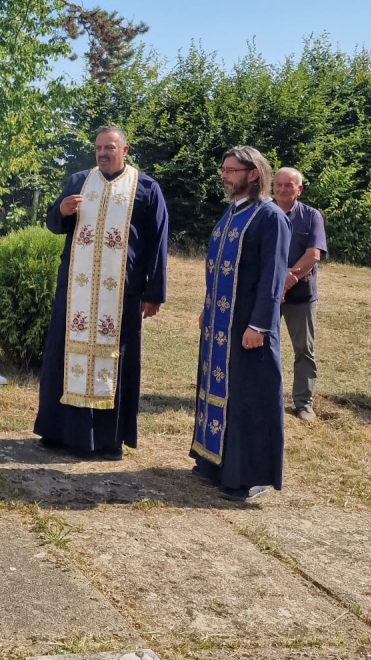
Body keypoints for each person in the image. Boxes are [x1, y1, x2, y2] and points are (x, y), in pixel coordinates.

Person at [34, 127, 168, 459]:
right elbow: (53, 223)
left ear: (125, 149)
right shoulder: (79, 181)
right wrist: (61, 212)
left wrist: (154, 292)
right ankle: (59, 432)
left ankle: (107, 440)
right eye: (98, 148)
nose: (103, 153)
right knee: (64, 355)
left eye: (110, 147)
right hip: (76, 291)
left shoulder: (146, 188)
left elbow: (158, 242)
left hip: (122, 294)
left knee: (115, 360)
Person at [190, 146, 291, 501]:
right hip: (221, 324)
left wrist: (259, 326)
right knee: (222, 392)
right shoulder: (231, 213)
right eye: (223, 169)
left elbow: (273, 278)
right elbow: (216, 267)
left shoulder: (270, 217)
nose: (225, 175)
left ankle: (249, 476)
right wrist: (207, 308)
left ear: (253, 174)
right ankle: (215, 463)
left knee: (249, 397)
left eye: (232, 170)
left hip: (250, 327)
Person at [273, 167, 327, 422]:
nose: (283, 189)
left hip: (301, 296)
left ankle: (303, 404)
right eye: (278, 185)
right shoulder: (262, 213)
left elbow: (313, 255)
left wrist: (287, 278)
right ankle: (265, 398)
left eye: (288, 185)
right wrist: (275, 282)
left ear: (299, 189)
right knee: (258, 345)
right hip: (266, 294)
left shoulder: (311, 216)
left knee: (304, 350)